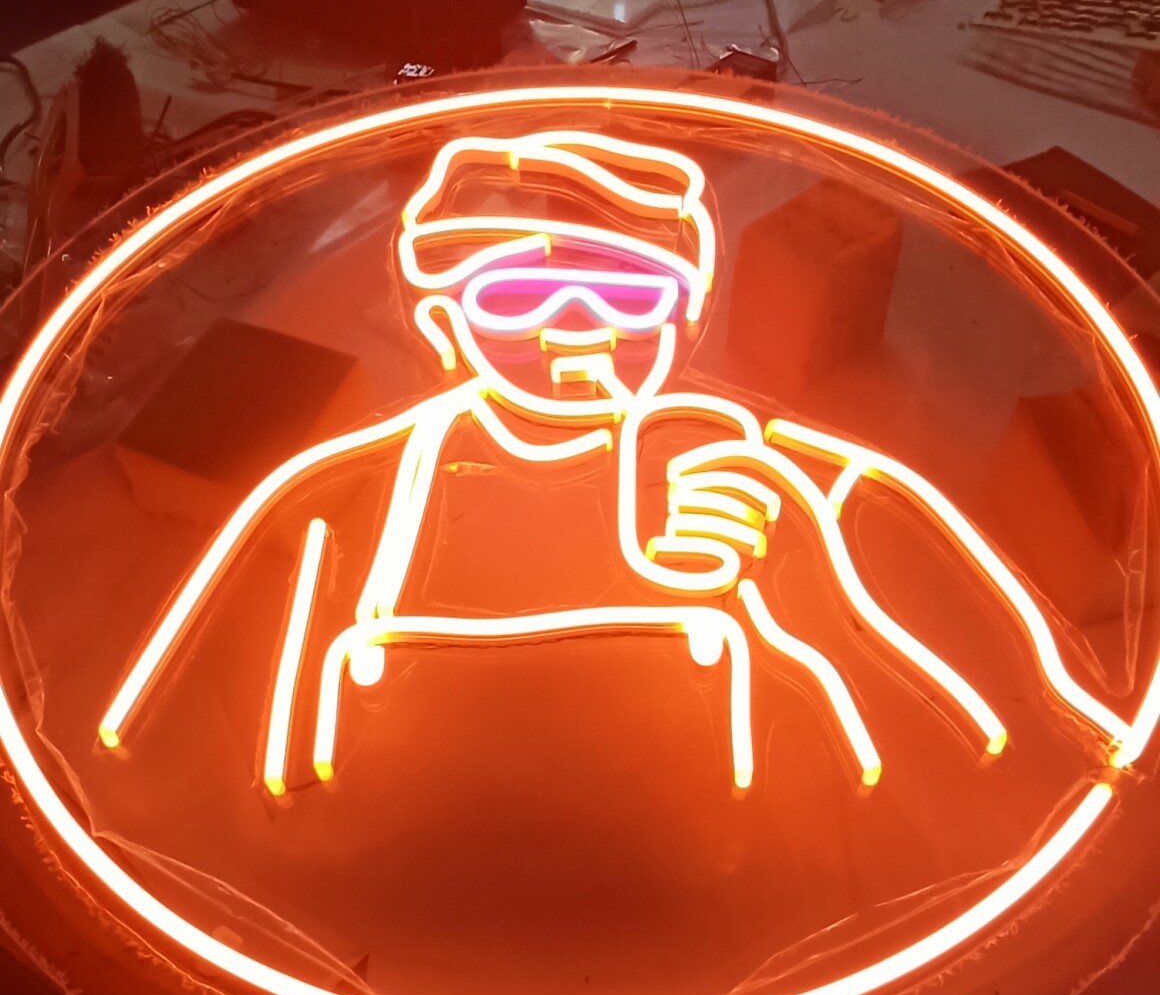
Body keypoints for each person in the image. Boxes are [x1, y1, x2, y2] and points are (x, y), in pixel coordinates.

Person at [96, 125, 1130, 806]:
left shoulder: (766, 475)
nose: (574, 328)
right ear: (445, 324)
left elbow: (994, 704)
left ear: (680, 320)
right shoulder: (338, 495)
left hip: (705, 881)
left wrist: (805, 590)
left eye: (629, 295)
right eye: (514, 296)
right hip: (403, 884)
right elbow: (152, 760)